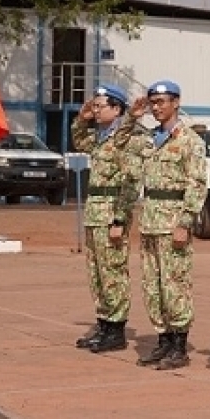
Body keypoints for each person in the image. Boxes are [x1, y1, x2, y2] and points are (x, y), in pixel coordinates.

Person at [115, 80, 207, 370]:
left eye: (161, 102)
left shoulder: (190, 140)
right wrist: (132, 117)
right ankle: (163, 339)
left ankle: (179, 345)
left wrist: (185, 222)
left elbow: (197, 184)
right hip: (151, 220)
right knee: (153, 286)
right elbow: (118, 143)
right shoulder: (149, 139)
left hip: (173, 221)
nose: (156, 108)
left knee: (174, 284)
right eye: (152, 103)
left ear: (176, 103)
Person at [70, 84, 138, 353]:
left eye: (100, 106)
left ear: (117, 109)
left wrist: (120, 219)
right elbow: (79, 140)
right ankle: (104, 323)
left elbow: (130, 182)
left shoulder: (125, 139)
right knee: (97, 273)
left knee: (113, 272)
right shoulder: (100, 137)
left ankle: (116, 329)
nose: (96, 111)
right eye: (94, 106)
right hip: (95, 212)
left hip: (111, 212)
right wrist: (82, 118)